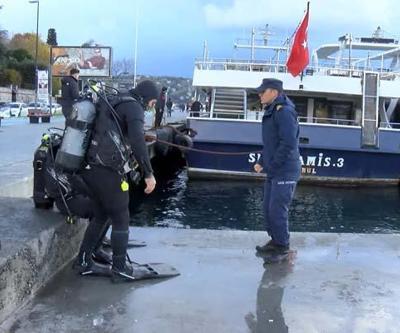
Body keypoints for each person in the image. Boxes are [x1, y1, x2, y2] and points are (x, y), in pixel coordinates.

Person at [74, 79, 158, 282]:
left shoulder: (116, 100)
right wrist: (148, 173)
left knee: (102, 214)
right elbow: (138, 141)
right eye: (153, 102)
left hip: (89, 166)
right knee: (121, 215)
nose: (151, 106)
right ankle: (120, 269)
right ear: (147, 98)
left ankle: (85, 261)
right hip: (107, 168)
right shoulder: (135, 108)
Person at [253, 78, 301, 264]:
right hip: (275, 169)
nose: (259, 94)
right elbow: (271, 143)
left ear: (274, 92)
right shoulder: (273, 110)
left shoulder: (284, 112)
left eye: (262, 91)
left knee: (277, 210)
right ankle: (275, 241)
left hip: (285, 170)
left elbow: (288, 143)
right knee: (267, 209)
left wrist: (272, 165)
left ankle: (282, 247)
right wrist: (261, 161)